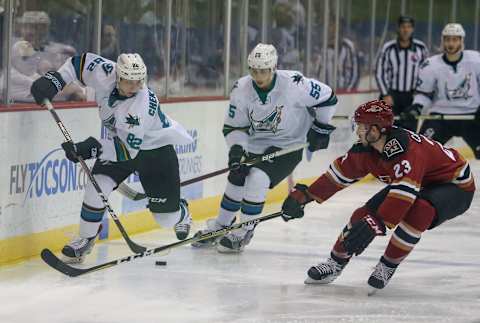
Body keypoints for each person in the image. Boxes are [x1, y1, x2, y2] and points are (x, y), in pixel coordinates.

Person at [281, 99, 475, 293]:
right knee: (362, 215)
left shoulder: (406, 150)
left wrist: (378, 223)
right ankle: (335, 263)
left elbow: (404, 195)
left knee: (419, 211)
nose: (357, 131)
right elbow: (338, 176)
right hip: (421, 182)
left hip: (455, 185)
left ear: (376, 129)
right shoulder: (366, 149)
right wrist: (306, 196)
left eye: (362, 127)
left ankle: (387, 266)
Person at [30, 52, 193, 263]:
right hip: (121, 143)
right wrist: (55, 80)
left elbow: (127, 151)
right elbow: (78, 63)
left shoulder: (139, 106)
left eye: (139, 81)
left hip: (155, 151)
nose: (134, 86)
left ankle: (182, 211)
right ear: (117, 75)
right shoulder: (105, 71)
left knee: (165, 218)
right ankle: (86, 239)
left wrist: (88, 148)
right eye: (129, 81)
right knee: (96, 185)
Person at [191, 43, 338, 253]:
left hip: (289, 145)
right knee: (237, 177)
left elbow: (328, 97)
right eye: (254, 71)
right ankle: (220, 226)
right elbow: (235, 126)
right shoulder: (241, 88)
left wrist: (321, 127)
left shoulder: (294, 83)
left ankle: (244, 231)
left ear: (274, 67)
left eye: (264, 71)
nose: (259, 77)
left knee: (258, 177)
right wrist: (236, 151)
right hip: (255, 143)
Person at [402, 23, 480, 159]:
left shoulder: (476, 60)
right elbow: (424, 94)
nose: (451, 43)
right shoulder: (431, 65)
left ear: (462, 41)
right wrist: (416, 108)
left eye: (455, 39)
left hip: (472, 116)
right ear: (443, 41)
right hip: (441, 117)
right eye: (447, 39)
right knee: (421, 152)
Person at [375, 16, 428, 131]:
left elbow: (426, 73)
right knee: (387, 130)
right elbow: (380, 72)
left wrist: (419, 94)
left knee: (409, 132)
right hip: (391, 95)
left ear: (412, 29)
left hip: (411, 97)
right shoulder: (388, 48)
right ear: (398, 28)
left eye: (409, 27)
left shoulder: (421, 48)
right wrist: (385, 94)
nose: (406, 30)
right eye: (403, 27)